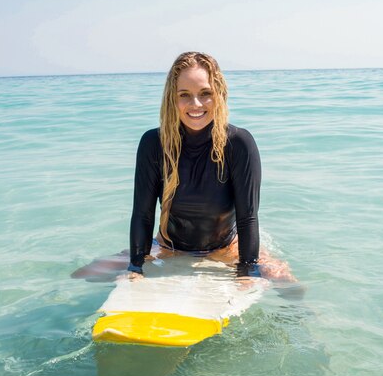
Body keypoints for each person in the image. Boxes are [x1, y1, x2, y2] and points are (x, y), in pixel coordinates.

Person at [72, 51, 297, 286]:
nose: (195, 104)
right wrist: (136, 266)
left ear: (218, 94)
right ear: (173, 98)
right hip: (168, 247)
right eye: (185, 95)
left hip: (226, 248)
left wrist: (247, 270)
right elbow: (143, 213)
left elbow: (248, 217)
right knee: (85, 275)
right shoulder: (154, 144)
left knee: (289, 285)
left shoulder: (238, 143)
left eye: (205, 93)